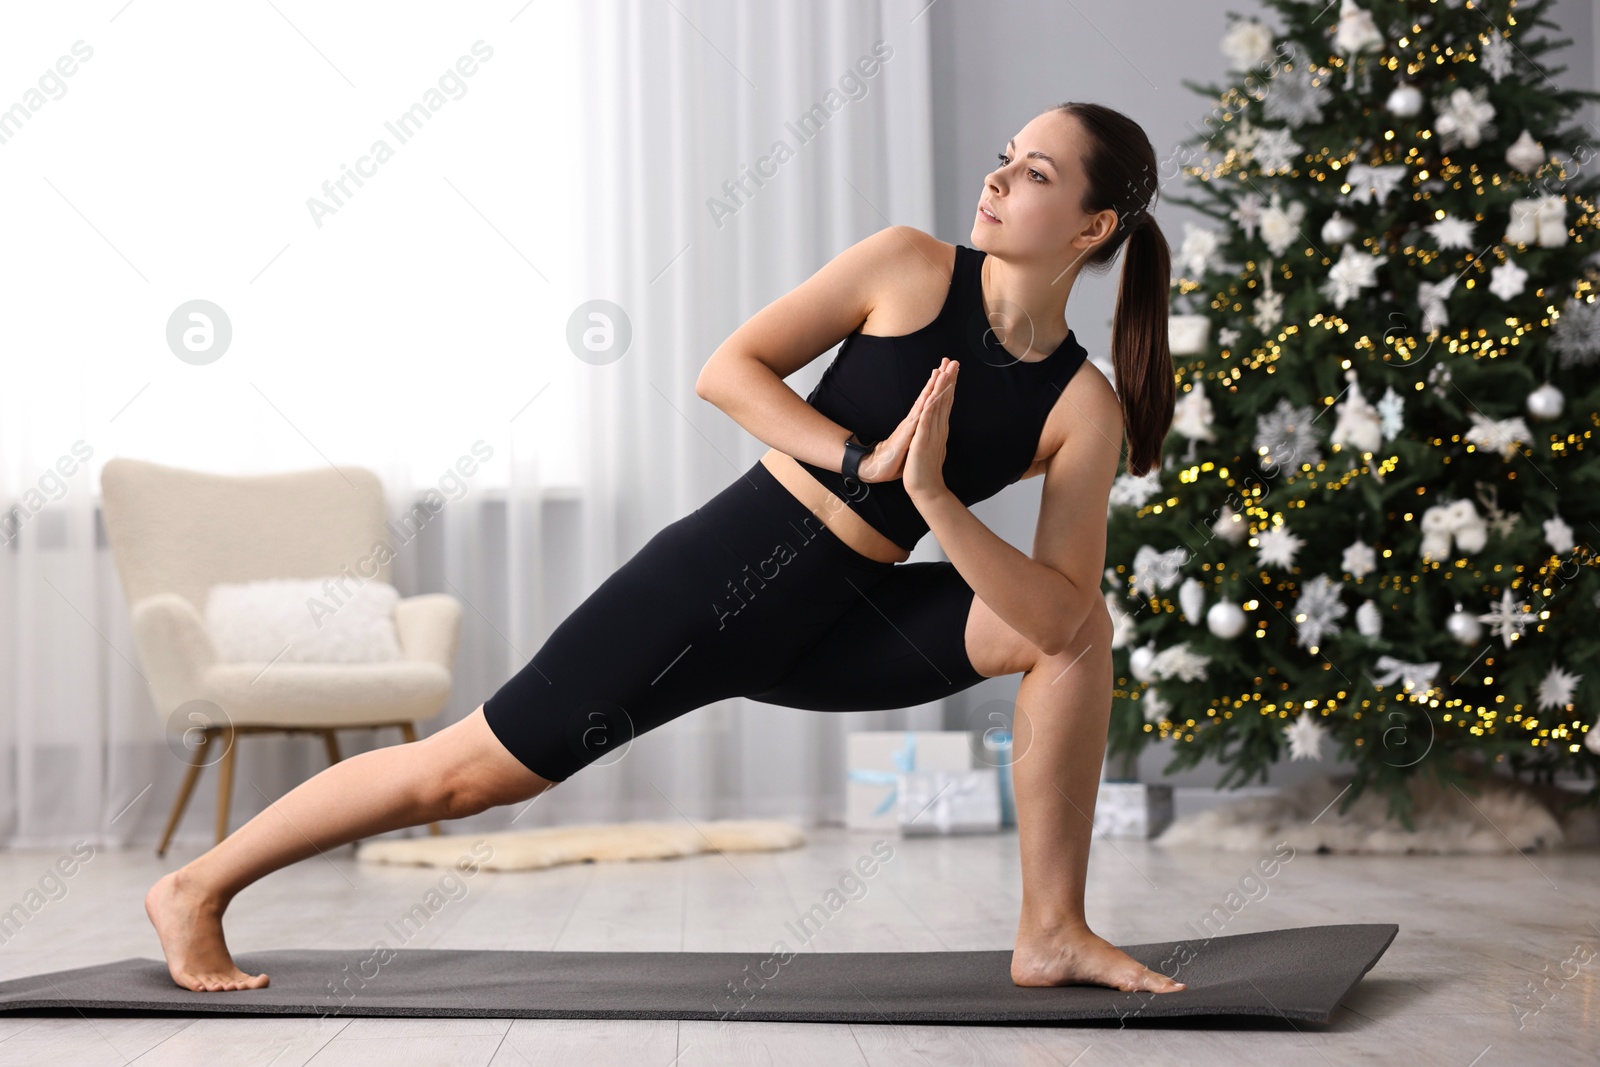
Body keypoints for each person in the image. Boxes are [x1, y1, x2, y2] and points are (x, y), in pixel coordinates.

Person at [145, 100, 1182, 997]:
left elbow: (1055, 618)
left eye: (1033, 172)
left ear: (1093, 225)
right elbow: (731, 370)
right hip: (711, 588)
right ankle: (194, 886)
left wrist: (933, 499)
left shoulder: (1082, 407)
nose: (997, 176)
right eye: (1005, 153)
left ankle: (1051, 929)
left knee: (1075, 632)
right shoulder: (908, 265)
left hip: (848, 621)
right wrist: (863, 456)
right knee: (462, 777)